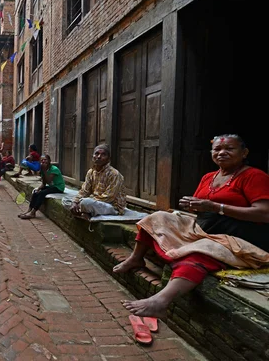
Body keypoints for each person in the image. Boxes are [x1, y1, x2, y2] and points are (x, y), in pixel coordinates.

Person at [114, 134, 269, 318]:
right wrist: (193, 206)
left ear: (244, 153)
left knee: (201, 251)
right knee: (158, 217)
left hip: (239, 238)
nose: (222, 153)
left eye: (229, 148)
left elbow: (264, 214)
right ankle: (135, 258)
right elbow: (202, 208)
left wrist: (216, 207)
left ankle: (161, 301)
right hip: (205, 229)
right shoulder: (208, 177)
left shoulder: (254, 176)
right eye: (217, 149)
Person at [68, 144, 126, 220]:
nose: (99, 157)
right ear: (93, 157)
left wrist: (83, 201)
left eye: (103, 155)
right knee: (67, 200)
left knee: (86, 203)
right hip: (95, 202)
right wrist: (75, 202)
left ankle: (85, 211)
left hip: (111, 206)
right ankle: (85, 212)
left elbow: (109, 197)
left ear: (108, 159)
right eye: (97, 154)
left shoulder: (114, 174)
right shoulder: (91, 172)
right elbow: (84, 191)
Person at [18, 155, 66, 219]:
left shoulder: (54, 169)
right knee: (35, 192)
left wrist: (44, 171)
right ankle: (29, 210)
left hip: (58, 187)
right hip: (52, 186)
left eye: (45, 159)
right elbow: (44, 183)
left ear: (49, 161)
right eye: (42, 160)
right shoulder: (43, 169)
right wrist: (39, 188)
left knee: (42, 193)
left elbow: (49, 181)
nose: (43, 161)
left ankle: (33, 213)